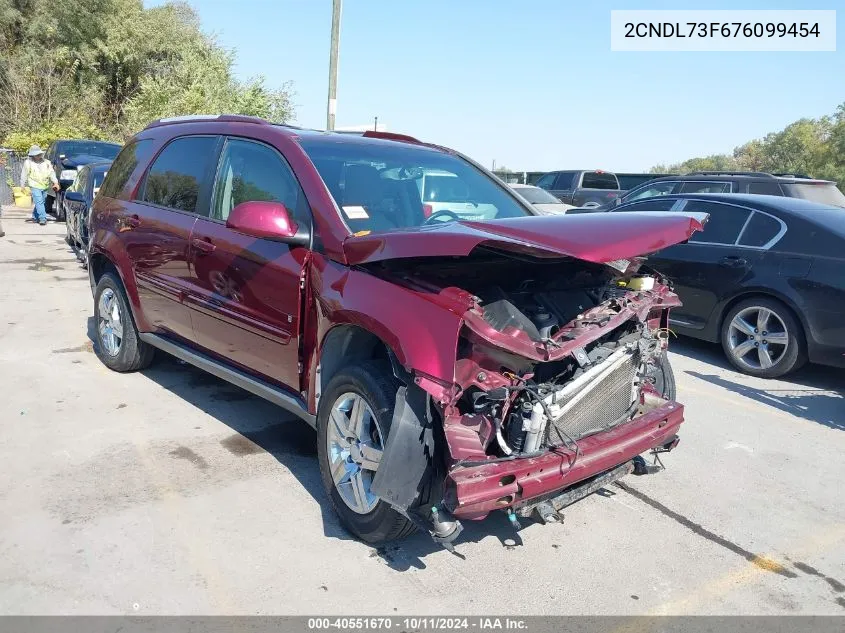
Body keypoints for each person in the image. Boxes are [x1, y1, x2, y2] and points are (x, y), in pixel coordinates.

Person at [20, 145, 59, 226]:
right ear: (32, 155)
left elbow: (51, 173)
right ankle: (42, 218)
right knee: (39, 201)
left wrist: (55, 182)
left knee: (42, 202)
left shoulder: (47, 162)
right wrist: (22, 185)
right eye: (36, 154)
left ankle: (35, 216)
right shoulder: (28, 163)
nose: (38, 156)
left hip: (44, 186)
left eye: (39, 154)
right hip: (34, 185)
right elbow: (24, 174)